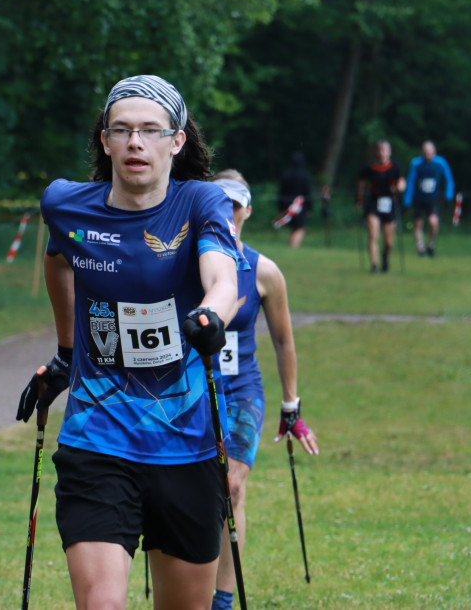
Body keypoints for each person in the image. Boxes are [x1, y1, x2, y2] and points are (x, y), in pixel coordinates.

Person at [15, 75, 248, 610]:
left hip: (185, 443)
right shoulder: (66, 206)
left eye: (149, 130)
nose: (135, 143)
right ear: (104, 140)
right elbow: (57, 262)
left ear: (177, 140)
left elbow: (223, 277)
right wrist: (66, 352)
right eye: (121, 130)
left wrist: (211, 314)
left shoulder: (199, 202)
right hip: (97, 437)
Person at [210, 170, 320, 610]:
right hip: (191, 389)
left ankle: (221, 599)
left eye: (235, 206)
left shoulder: (265, 272)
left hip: (242, 390)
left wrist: (290, 405)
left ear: (247, 211)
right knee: (195, 488)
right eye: (219, 205)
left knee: (232, 485)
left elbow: (283, 340)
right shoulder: (185, 264)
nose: (228, 213)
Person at [356, 141, 406, 274]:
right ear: (376, 152)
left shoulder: (395, 166)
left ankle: (385, 256)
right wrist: (359, 198)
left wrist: (398, 188)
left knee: (389, 242)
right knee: (373, 235)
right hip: (374, 203)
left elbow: (402, 182)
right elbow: (361, 181)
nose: (382, 153)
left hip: (389, 204)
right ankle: (374, 265)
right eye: (380, 150)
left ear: (389, 152)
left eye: (385, 150)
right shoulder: (370, 167)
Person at [403, 140, 454, 257]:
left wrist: (448, 195)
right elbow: (411, 181)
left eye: (430, 152)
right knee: (418, 224)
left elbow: (448, 179)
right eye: (425, 152)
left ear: (434, 152)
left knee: (433, 222)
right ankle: (420, 247)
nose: (427, 155)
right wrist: (406, 200)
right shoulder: (416, 163)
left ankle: (431, 244)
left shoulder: (440, 163)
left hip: (433, 198)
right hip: (419, 198)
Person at [276, 151, 315, 248]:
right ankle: (293, 248)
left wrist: (280, 207)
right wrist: (310, 207)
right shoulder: (305, 175)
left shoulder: (286, 175)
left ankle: (291, 248)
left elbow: (281, 192)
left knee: (293, 228)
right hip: (299, 206)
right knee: (300, 228)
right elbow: (307, 192)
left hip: (287, 204)